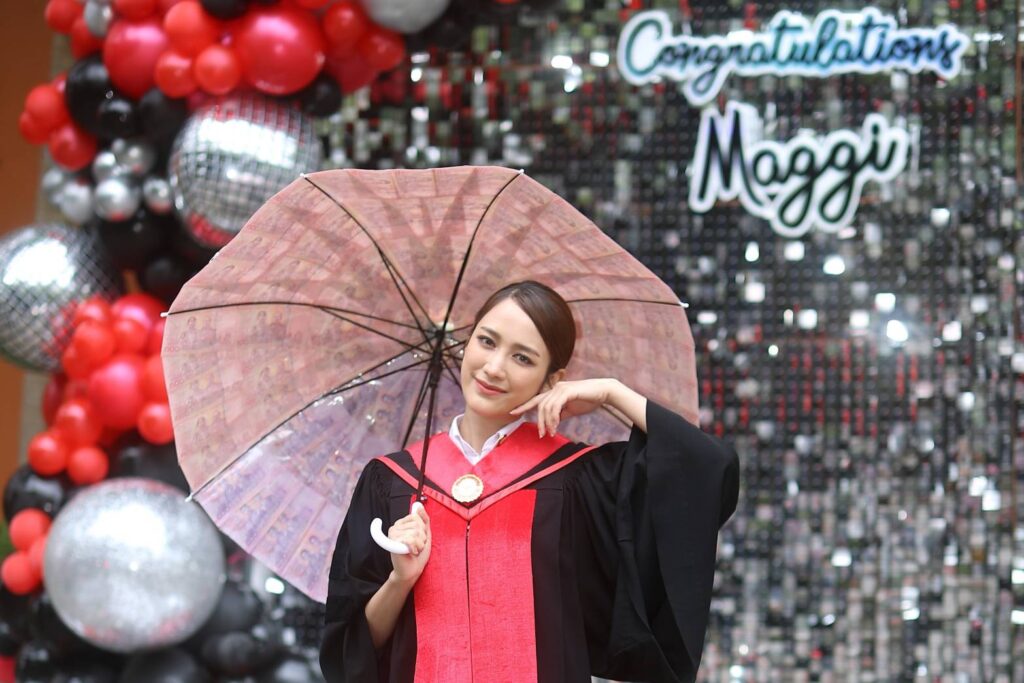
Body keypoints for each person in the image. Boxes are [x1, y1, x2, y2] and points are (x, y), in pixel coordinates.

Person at [320, 280, 740, 683]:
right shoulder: (394, 480)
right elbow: (351, 654)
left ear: (552, 380)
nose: (494, 367)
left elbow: (704, 468)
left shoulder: (577, 480)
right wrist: (400, 580)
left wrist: (612, 393)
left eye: (523, 358)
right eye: (487, 341)